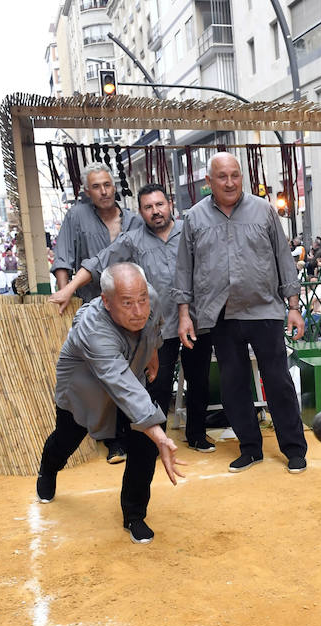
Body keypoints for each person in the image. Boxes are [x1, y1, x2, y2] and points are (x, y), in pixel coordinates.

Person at [173, 152, 308, 474]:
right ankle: (250, 448)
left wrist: (293, 307)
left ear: (242, 178)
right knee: (234, 385)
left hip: (264, 309)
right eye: (222, 176)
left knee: (277, 382)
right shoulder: (193, 218)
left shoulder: (263, 211)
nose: (230, 182)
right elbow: (184, 270)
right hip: (220, 314)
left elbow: (282, 257)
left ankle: (294, 449)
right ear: (209, 182)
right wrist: (183, 315)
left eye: (235, 175)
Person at [36, 264, 183, 543]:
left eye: (142, 300)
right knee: (66, 439)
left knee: (143, 442)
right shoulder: (92, 327)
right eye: (127, 303)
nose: (139, 310)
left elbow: (154, 326)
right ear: (106, 301)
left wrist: (151, 352)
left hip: (129, 376)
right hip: (85, 389)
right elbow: (117, 380)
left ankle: (134, 514)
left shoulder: (147, 296)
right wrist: (160, 433)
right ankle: (48, 469)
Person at [50, 184, 188, 457]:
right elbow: (98, 262)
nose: (156, 211)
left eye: (159, 204)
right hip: (142, 332)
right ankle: (145, 443)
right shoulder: (132, 241)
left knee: (198, 381)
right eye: (148, 207)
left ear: (170, 204)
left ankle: (191, 436)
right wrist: (67, 288)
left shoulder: (188, 232)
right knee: (148, 389)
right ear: (140, 212)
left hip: (186, 321)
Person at [51, 162, 143, 305]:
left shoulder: (134, 222)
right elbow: (63, 260)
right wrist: (64, 293)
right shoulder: (76, 216)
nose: (103, 191)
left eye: (107, 185)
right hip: (91, 304)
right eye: (96, 187)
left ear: (114, 188)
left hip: (129, 305)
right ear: (87, 192)